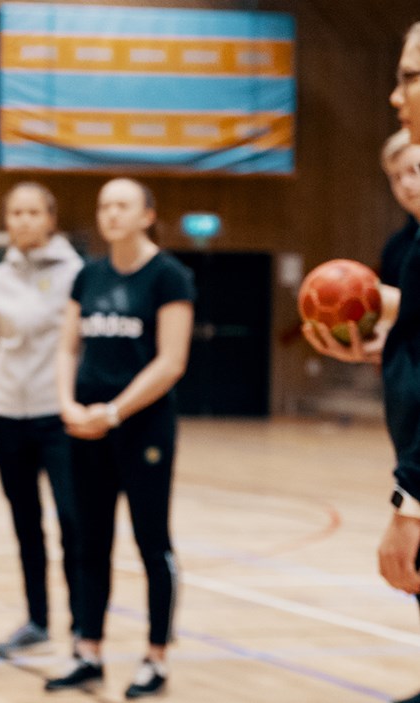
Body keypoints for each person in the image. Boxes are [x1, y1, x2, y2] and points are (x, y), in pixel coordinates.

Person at [45, 179, 194, 698]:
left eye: (122, 205)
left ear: (147, 215)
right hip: (86, 425)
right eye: (104, 205)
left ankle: (155, 657)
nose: (110, 213)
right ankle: (88, 650)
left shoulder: (169, 277)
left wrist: (113, 412)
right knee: (89, 541)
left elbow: (171, 362)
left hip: (142, 427)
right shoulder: (88, 276)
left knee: (153, 542)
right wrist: (66, 403)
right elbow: (68, 349)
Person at [304, 32, 420, 699]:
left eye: (407, 76)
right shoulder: (400, 244)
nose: (394, 94)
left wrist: (411, 496)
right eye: (397, 174)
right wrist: (385, 340)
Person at [0, 182, 83, 657]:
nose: (22, 221)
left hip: (57, 415)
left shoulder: (77, 275)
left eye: (32, 212)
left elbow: (77, 344)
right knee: (26, 522)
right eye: (14, 213)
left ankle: (84, 624)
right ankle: (37, 620)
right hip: (7, 415)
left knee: (71, 519)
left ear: (50, 219)